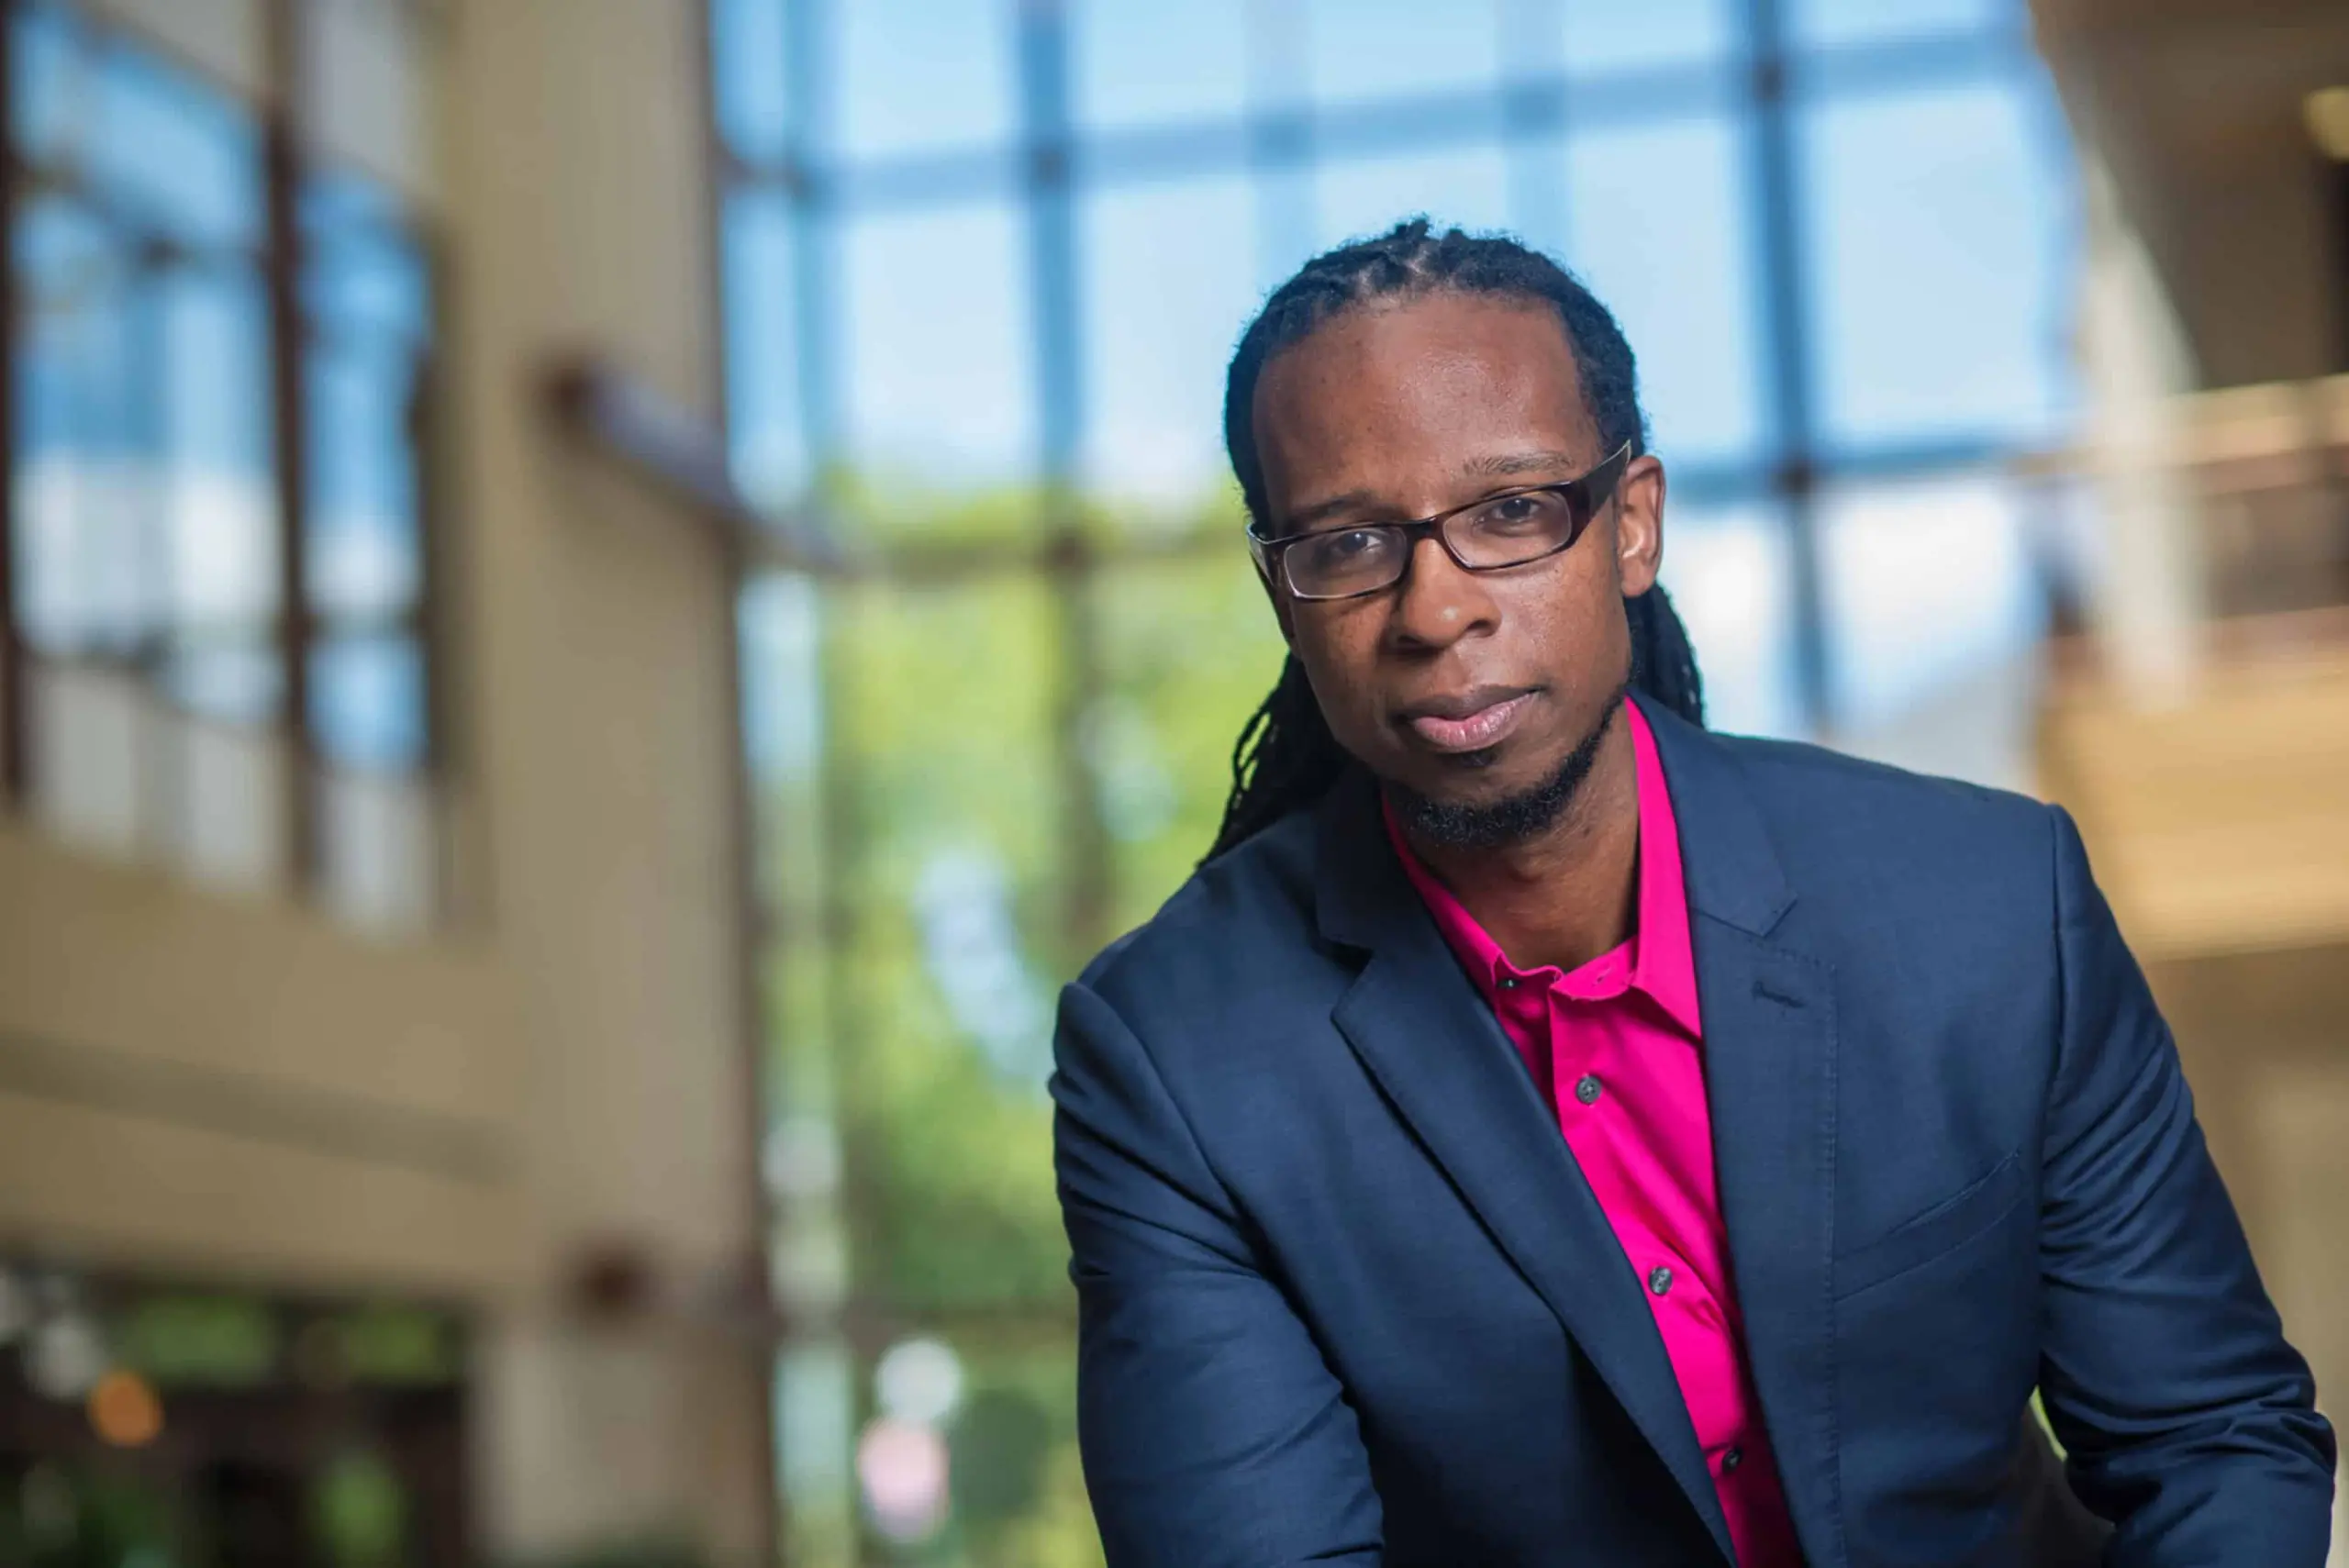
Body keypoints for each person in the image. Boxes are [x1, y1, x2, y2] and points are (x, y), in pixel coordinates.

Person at [1050, 220, 2336, 1567]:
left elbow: (2212, 1447)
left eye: (1509, 512)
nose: (1435, 612)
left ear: (1633, 525)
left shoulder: (1992, 911)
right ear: (1284, 591)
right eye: (1352, 542)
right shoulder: (1178, 1063)